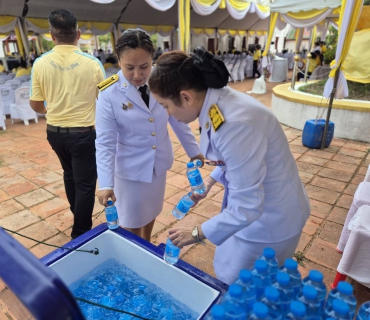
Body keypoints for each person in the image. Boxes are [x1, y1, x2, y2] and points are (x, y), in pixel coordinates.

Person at [148, 48, 310, 284]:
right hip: (259, 211)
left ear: (186, 97)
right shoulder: (215, 101)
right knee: (232, 273)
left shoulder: (234, 123)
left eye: (165, 106)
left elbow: (248, 207)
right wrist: (210, 181)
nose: (167, 113)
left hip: (270, 222)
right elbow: (234, 159)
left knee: (243, 287)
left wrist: (195, 233)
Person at [95, 29, 203, 242]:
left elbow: (177, 119)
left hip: (158, 163)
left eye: (144, 66)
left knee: (152, 212)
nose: (137, 75)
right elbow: (105, 142)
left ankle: (147, 242)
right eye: (129, 67)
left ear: (152, 60)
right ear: (118, 60)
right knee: (132, 221)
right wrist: (105, 184)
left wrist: (194, 151)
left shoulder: (162, 80)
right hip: (130, 170)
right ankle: (140, 252)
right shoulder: (109, 93)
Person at [30, 9, 105, 239]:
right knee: (85, 183)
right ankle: (81, 233)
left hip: (55, 132)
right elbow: (106, 102)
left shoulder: (40, 64)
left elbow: (35, 105)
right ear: (78, 34)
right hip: (83, 133)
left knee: (70, 174)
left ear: (51, 35)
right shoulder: (92, 64)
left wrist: (51, 110)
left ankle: (78, 213)